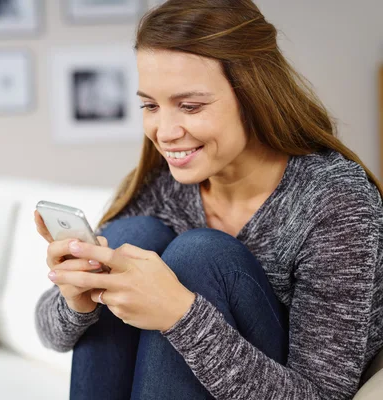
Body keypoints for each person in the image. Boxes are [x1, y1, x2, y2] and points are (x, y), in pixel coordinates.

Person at [34, 0, 383, 399]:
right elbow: (50, 334)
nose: (164, 132)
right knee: (133, 235)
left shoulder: (334, 199)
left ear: (254, 95)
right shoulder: (162, 188)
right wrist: (76, 297)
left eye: (190, 106)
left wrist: (179, 315)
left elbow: (320, 394)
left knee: (201, 256)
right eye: (150, 105)